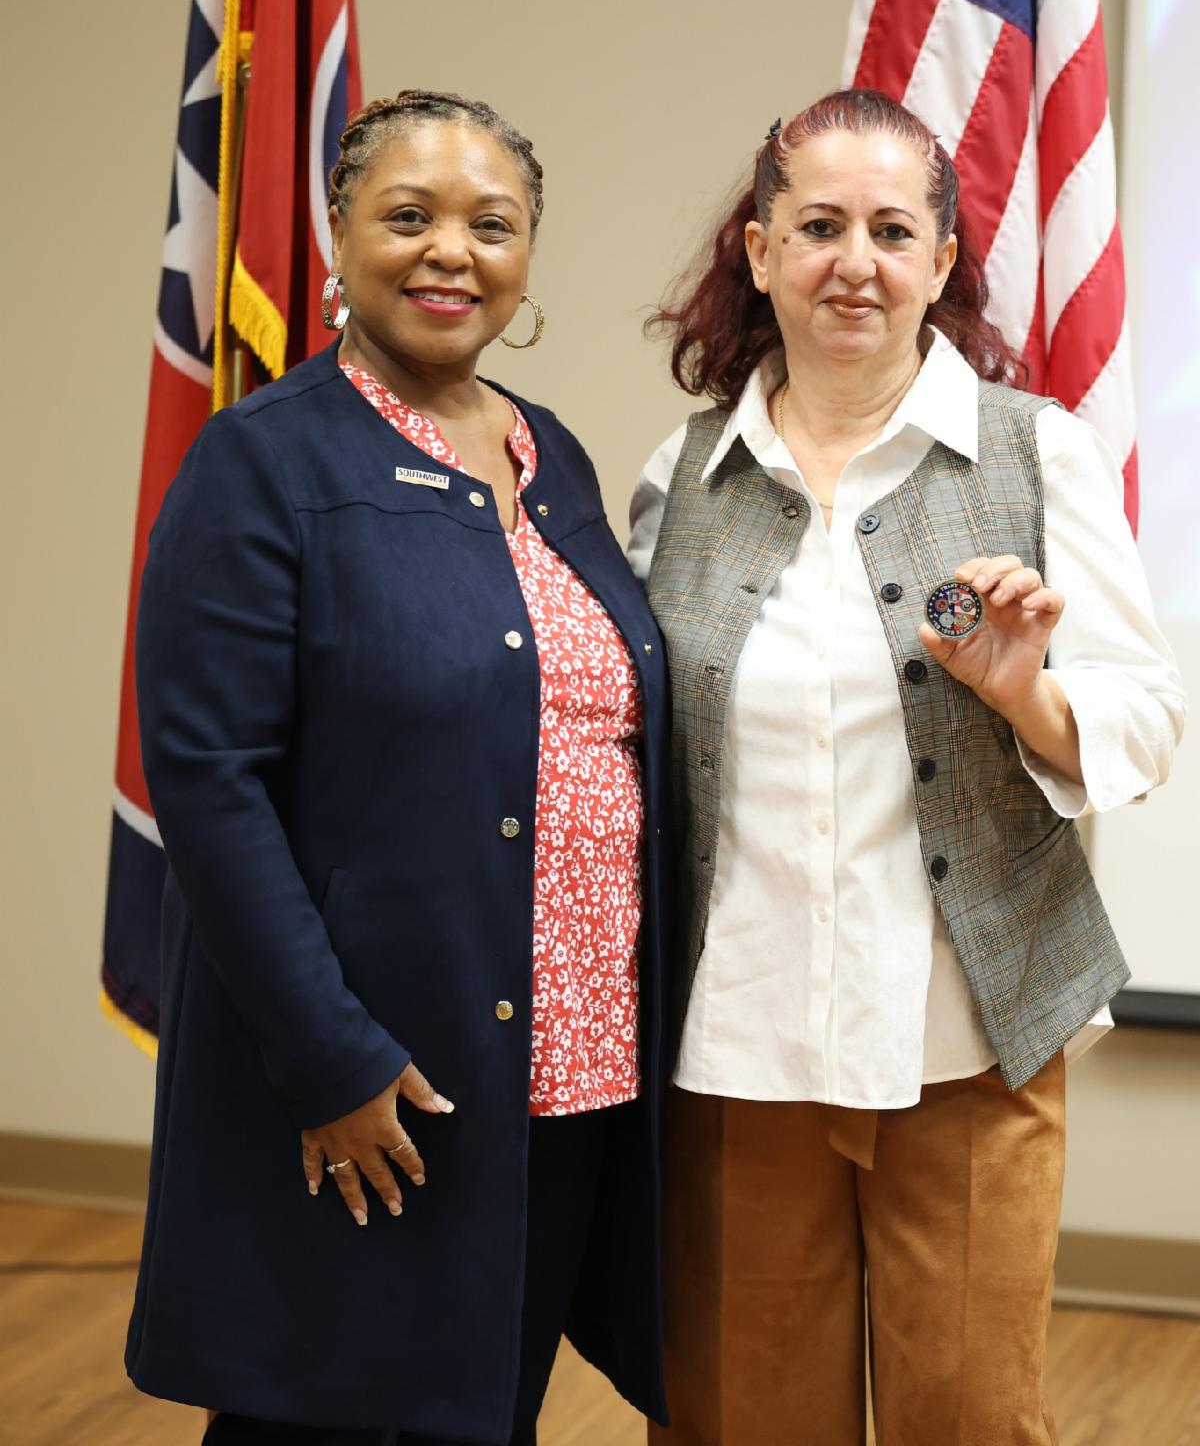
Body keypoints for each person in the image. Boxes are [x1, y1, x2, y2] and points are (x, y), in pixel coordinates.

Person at [628, 89, 1184, 1444]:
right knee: (738, 1423)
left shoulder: (1039, 452)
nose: (854, 263)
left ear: (941, 263)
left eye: (891, 231)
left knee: (971, 1423)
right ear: (760, 251)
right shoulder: (681, 476)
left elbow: (1145, 720)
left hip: (970, 1047)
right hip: (739, 1050)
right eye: (819, 226)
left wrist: (1023, 692)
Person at [127, 90, 672, 1444]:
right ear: (339, 234)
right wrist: (330, 1057)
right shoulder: (261, 459)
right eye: (409, 215)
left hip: (566, 1066)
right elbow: (208, 784)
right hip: (385, 1077)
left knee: (488, 1417)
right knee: (334, 1418)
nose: (451, 252)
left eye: (493, 224)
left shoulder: (554, 455)